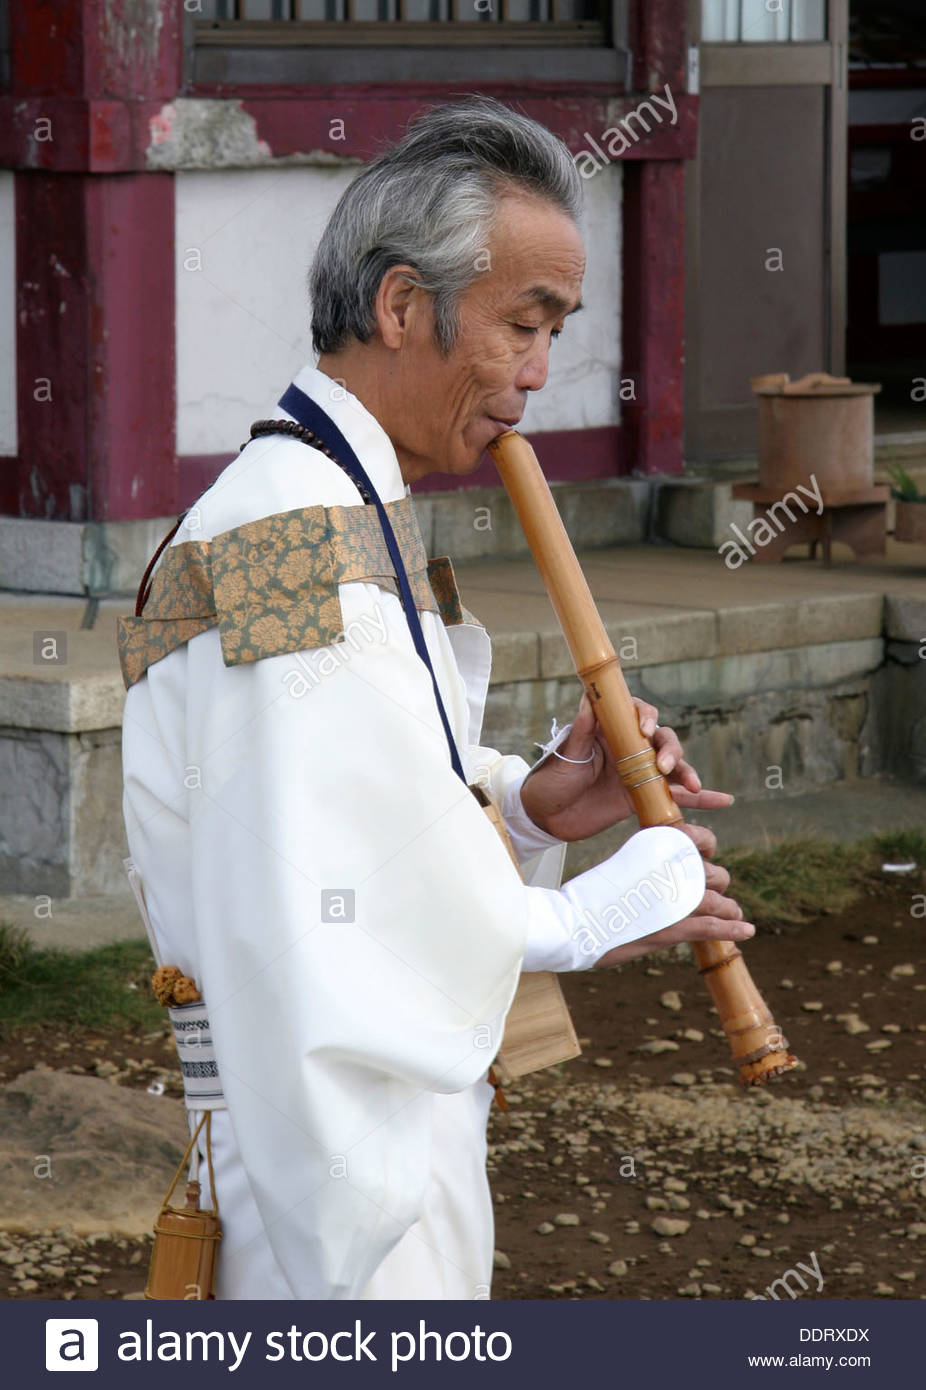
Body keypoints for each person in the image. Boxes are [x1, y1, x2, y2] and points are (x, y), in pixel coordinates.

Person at [119, 96, 752, 1301]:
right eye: (524, 323)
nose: (538, 373)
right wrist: (606, 906)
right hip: (327, 1169)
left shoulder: (320, 506)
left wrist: (525, 806)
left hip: (356, 1124)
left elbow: (359, 791)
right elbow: (321, 895)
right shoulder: (291, 534)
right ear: (404, 307)